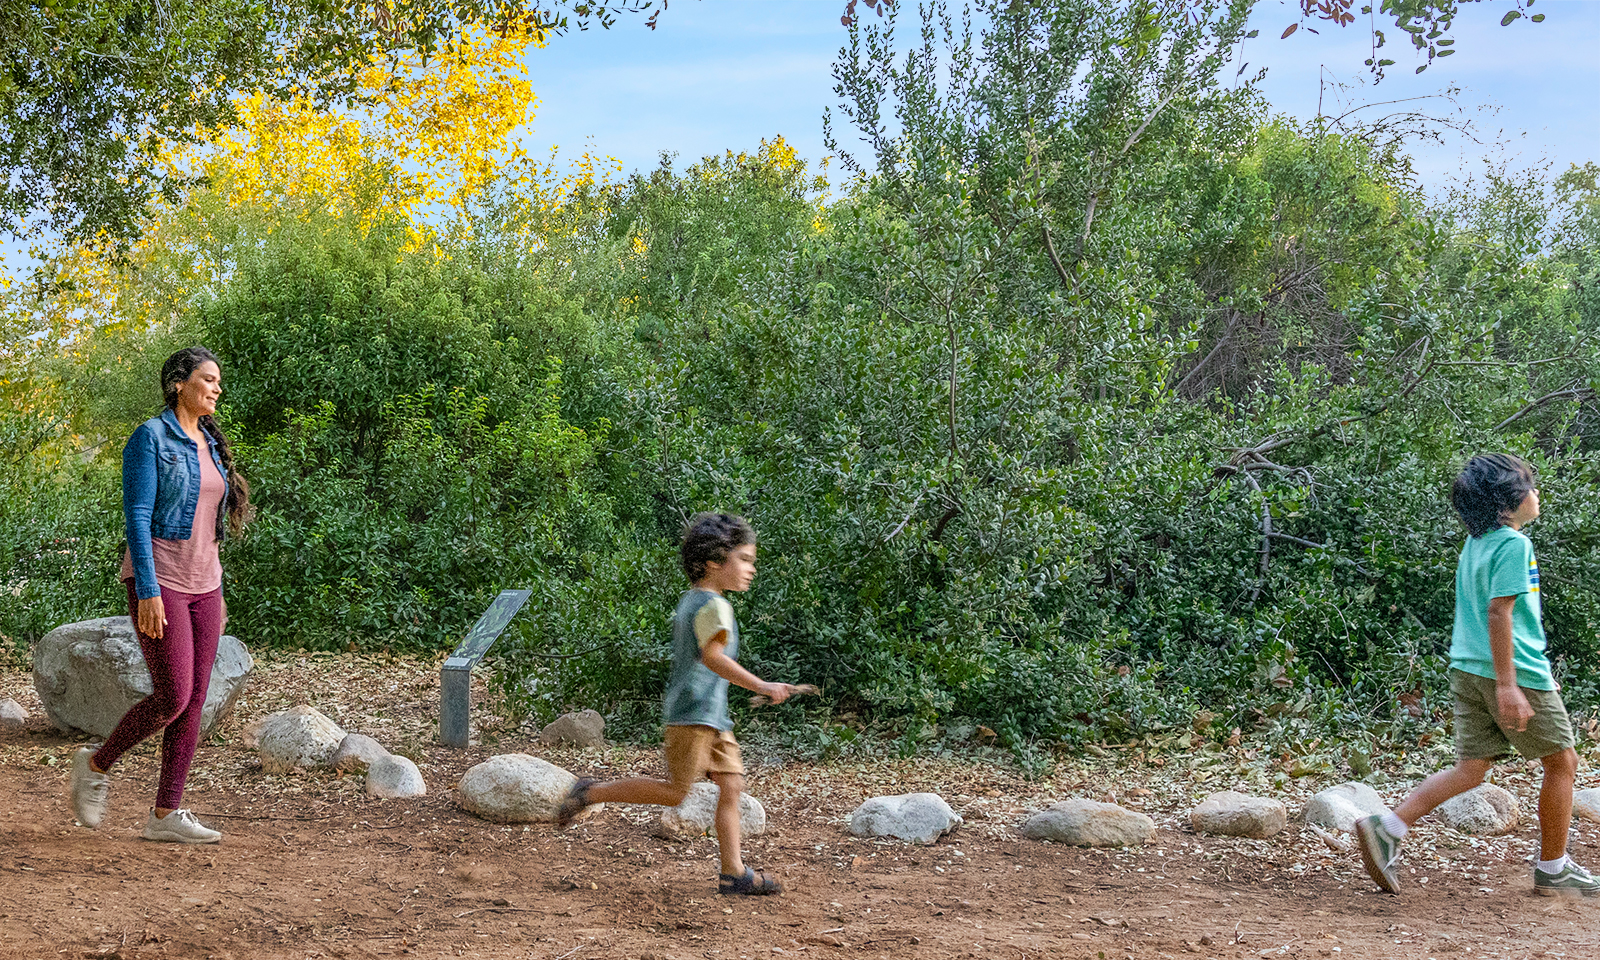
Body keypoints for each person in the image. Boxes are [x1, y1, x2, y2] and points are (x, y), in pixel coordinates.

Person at [1356, 454, 1599, 897]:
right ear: (1508, 506)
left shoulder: (1477, 543)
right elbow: (1499, 612)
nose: (1536, 493)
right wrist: (1512, 683)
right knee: (1562, 762)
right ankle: (1554, 868)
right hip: (1507, 672)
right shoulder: (1512, 545)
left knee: (1470, 769)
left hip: (1467, 668)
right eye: (1529, 486)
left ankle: (1387, 827)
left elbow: (1499, 614)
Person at [555, 512, 806, 895]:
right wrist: (762, 684)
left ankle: (733, 872)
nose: (751, 569)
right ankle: (591, 792)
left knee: (732, 785)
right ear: (713, 562)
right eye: (744, 559)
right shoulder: (714, 607)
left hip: (712, 715)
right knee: (675, 792)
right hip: (694, 713)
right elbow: (713, 658)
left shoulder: (694, 599)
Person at [69, 347, 254, 843]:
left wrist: (217, 591)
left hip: (205, 585)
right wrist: (147, 590)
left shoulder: (211, 443)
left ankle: (165, 814)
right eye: (208, 379)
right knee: (173, 695)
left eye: (219, 381)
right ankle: (97, 763)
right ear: (179, 383)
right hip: (161, 581)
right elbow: (136, 516)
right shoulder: (150, 438)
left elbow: (207, 526)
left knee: (194, 701)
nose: (217, 388)